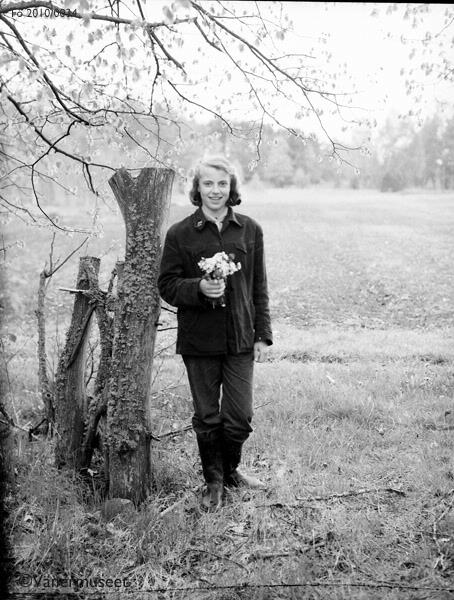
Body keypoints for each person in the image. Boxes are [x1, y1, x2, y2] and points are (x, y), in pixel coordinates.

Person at [158, 155, 272, 510]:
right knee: (208, 416)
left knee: (240, 418)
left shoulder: (250, 230)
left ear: (231, 187)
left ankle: (231, 470)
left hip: (240, 336)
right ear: (197, 188)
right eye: (208, 183)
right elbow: (166, 285)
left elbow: (259, 286)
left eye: (222, 183)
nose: (216, 190)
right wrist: (198, 288)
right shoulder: (180, 233)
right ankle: (214, 482)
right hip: (199, 339)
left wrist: (262, 333)